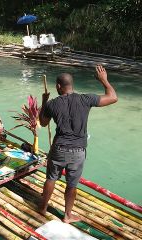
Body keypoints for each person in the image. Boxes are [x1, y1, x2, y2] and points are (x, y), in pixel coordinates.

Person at [38, 65, 117, 223]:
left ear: (58, 87)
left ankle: (42, 208)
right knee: (72, 184)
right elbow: (113, 97)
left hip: (59, 148)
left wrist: (44, 102)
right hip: (78, 150)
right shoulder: (86, 99)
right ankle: (67, 215)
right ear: (71, 85)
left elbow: (43, 122)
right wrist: (104, 80)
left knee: (51, 178)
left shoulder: (52, 104)